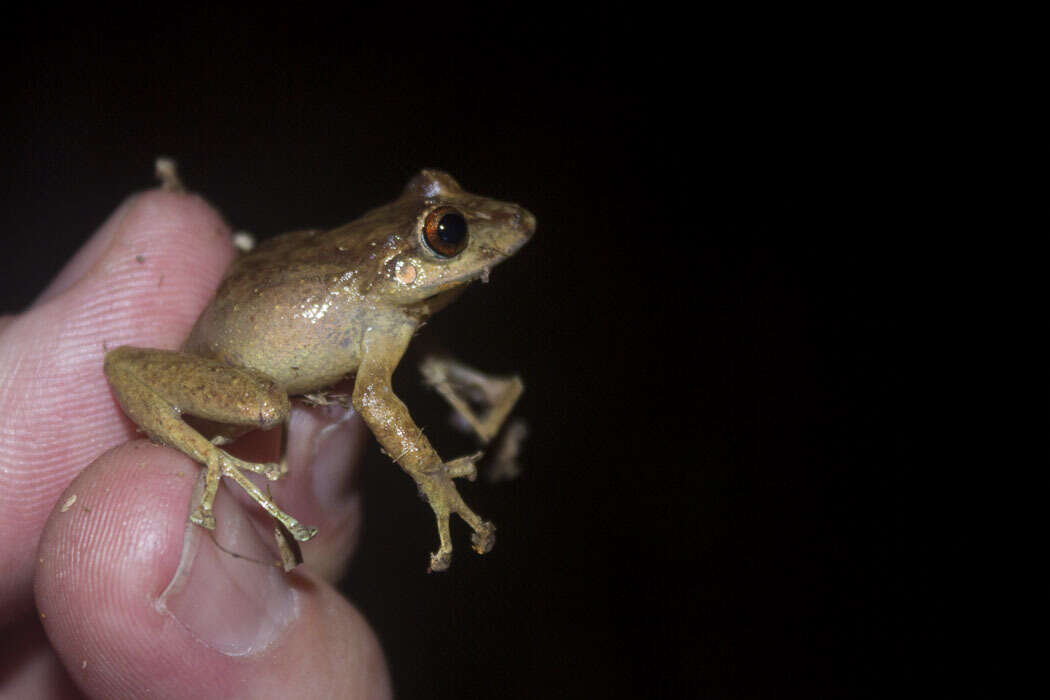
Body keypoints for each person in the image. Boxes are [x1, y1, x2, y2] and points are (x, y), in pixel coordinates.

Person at [0, 186, 392, 698]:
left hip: (244, 326)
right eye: (444, 234)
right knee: (267, 410)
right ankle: (209, 455)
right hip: (230, 359)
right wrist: (212, 454)